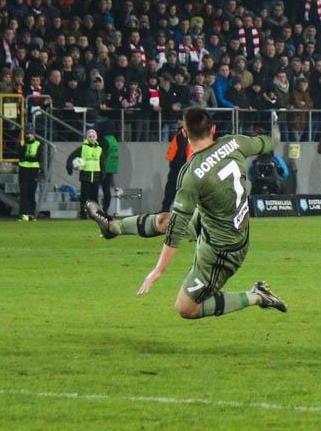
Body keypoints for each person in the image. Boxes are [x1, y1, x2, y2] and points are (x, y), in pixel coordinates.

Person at [85, 107, 287, 319]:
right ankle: (112, 227)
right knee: (165, 219)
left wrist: (158, 270)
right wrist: (274, 132)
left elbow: (177, 231)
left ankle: (256, 296)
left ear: (184, 133)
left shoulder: (192, 174)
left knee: (186, 308)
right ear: (214, 129)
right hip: (214, 221)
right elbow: (268, 142)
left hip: (223, 248)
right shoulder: (234, 142)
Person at [67, 129, 103, 219]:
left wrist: (103, 173)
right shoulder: (83, 148)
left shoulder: (99, 149)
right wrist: (69, 167)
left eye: (93, 136)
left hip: (96, 176)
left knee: (95, 197)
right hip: (85, 176)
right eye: (90, 136)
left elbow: (102, 162)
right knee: (84, 197)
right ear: (87, 138)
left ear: (96, 137)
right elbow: (71, 156)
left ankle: (95, 214)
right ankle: (83, 213)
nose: (92, 138)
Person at [161, 117, 192, 212]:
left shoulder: (182, 134)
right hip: (182, 167)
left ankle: (165, 210)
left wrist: (176, 166)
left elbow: (181, 152)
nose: (178, 122)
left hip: (178, 167)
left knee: (171, 189)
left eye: (181, 120)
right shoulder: (184, 133)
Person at [17, 123, 42, 221]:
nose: (28, 135)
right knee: (23, 192)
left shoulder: (38, 144)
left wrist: (27, 158)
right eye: (27, 133)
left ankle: (31, 214)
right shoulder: (22, 143)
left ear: (34, 133)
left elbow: (38, 158)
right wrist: (29, 156)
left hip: (34, 170)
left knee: (31, 192)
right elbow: (21, 157)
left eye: (30, 133)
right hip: (23, 170)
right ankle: (22, 214)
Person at [98, 120, 119, 217]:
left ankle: (103, 210)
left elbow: (102, 155)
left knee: (102, 190)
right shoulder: (113, 139)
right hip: (112, 167)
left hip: (104, 168)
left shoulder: (104, 140)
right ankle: (105, 209)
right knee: (107, 190)